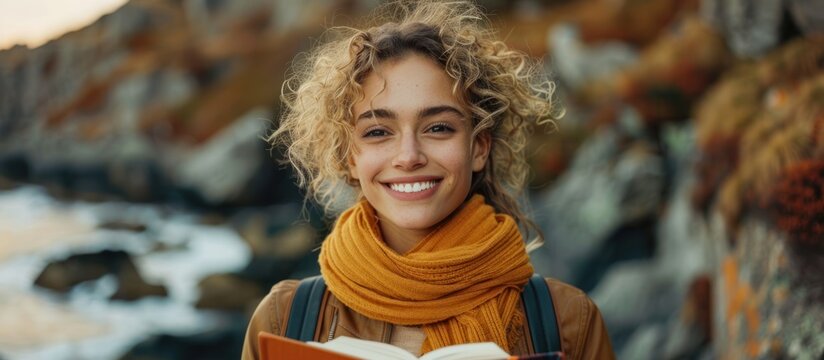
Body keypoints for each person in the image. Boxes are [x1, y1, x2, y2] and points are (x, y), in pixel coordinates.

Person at [242, 0, 614, 358]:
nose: (409, 156)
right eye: (377, 132)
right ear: (350, 156)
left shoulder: (567, 321)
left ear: (479, 147)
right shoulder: (284, 320)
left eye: (438, 128)